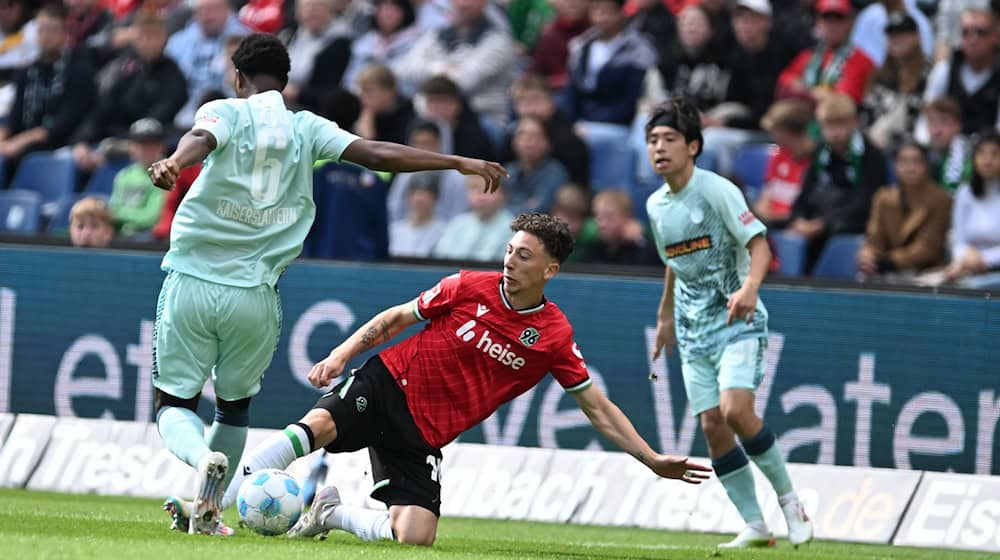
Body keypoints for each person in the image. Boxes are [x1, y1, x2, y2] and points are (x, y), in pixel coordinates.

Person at [145, 32, 507, 537]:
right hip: (257, 295)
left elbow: (200, 141)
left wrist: (173, 163)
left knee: (173, 405)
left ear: (238, 76)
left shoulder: (224, 110)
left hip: (194, 281)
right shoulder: (305, 127)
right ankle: (208, 513)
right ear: (286, 81)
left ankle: (203, 461)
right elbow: (377, 154)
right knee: (233, 407)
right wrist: (455, 161)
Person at [219, 212, 711, 546]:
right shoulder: (466, 287)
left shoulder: (554, 336)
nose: (509, 261)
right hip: (389, 381)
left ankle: (329, 512)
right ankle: (212, 503)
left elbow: (596, 407)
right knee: (316, 427)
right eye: (509, 249)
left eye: (524, 256)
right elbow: (396, 319)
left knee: (415, 536)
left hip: (425, 433)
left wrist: (649, 459)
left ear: (550, 268)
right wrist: (341, 353)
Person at [644, 97, 812, 548]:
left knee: (737, 411)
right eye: (653, 140)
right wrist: (665, 317)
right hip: (692, 327)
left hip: (738, 315)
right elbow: (673, 262)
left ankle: (791, 503)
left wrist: (751, 288)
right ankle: (756, 525)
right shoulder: (656, 205)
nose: (659, 147)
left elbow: (758, 243)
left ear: (693, 146)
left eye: (669, 139)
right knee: (712, 426)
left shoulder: (715, 189)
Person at [857, 141, 952, 280]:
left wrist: (889, 262)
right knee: (864, 276)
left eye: (916, 161)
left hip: (925, 271)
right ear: (895, 166)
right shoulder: (883, 197)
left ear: (927, 166)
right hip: (886, 268)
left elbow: (927, 248)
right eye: (903, 161)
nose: (910, 167)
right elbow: (874, 237)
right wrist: (868, 255)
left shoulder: (941, 199)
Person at [945, 131, 1000, 287]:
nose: (987, 160)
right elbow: (958, 240)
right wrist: (963, 258)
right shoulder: (964, 192)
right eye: (982, 153)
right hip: (967, 267)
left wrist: (983, 259)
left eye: (994, 154)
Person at [109, 118, 169, 239]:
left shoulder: (165, 174)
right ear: (131, 147)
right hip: (120, 234)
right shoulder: (123, 175)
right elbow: (112, 210)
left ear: (161, 147)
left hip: (148, 237)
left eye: (151, 144)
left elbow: (152, 217)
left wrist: (120, 215)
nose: (144, 149)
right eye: (140, 144)